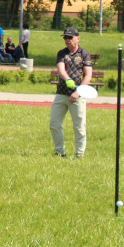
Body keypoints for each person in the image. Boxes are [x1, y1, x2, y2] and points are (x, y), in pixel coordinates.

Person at [50, 26, 94, 159]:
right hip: (61, 93)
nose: (67, 40)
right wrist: (67, 79)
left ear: (78, 38)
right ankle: (60, 152)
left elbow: (88, 75)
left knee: (79, 126)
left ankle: (79, 155)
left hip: (77, 96)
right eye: (65, 37)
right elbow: (61, 69)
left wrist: (79, 91)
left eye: (70, 37)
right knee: (54, 124)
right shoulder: (62, 53)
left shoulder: (84, 54)